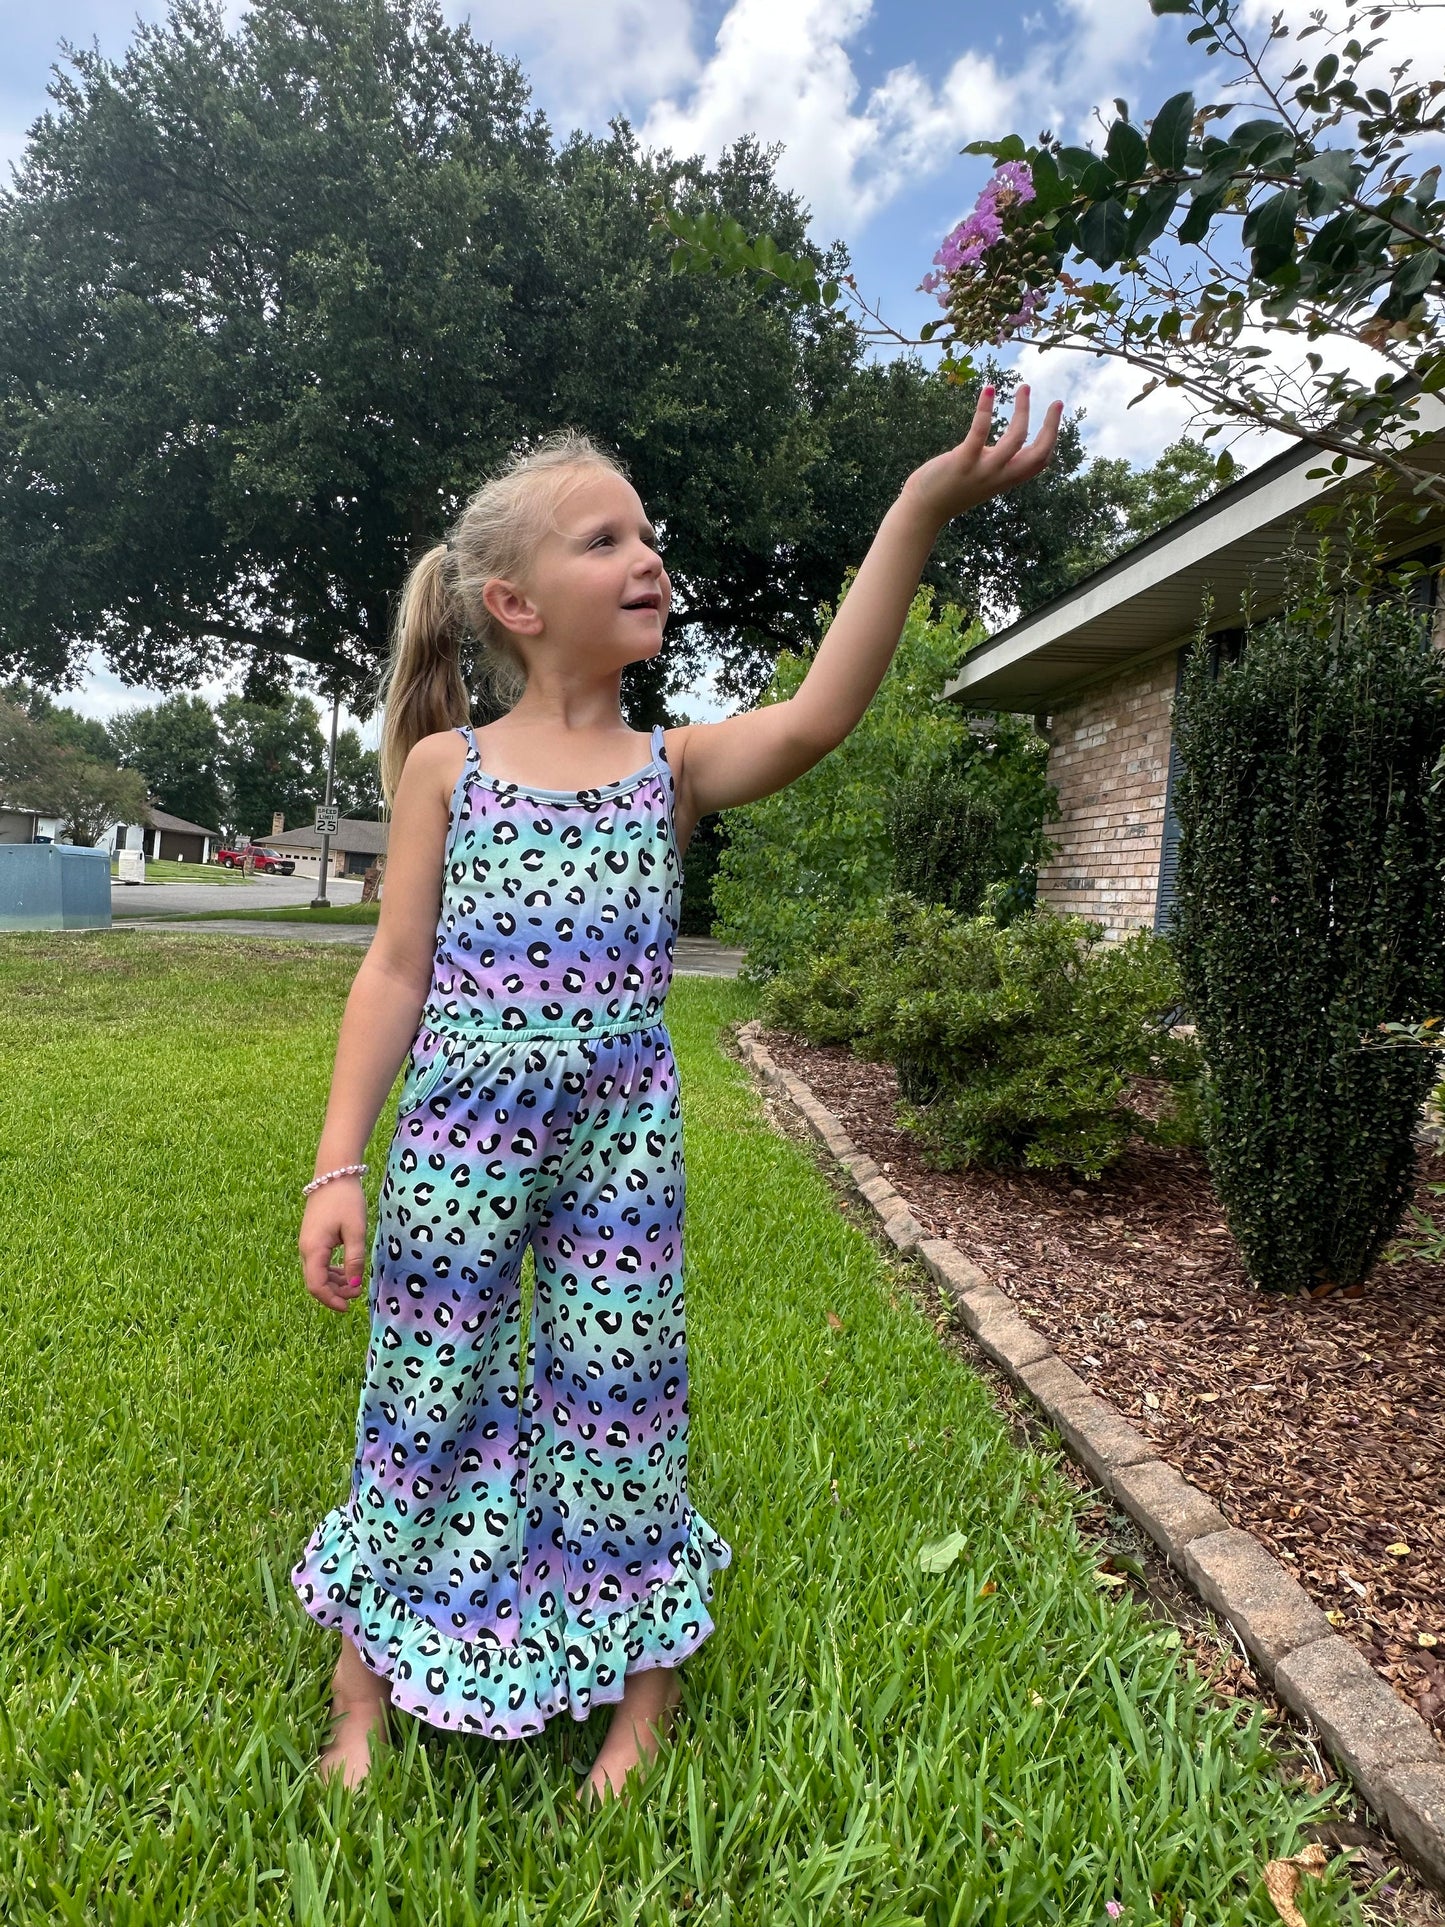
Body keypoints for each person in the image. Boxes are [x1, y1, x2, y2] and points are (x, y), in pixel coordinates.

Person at [292, 385, 1062, 1800]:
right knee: (425, 1393)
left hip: (618, 1155)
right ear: (514, 603)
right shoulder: (443, 767)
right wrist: (339, 1165)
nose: (648, 557)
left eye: (647, 533)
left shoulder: (673, 767)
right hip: (458, 1136)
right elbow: (394, 970)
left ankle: (638, 1691)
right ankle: (368, 1672)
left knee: (618, 1399)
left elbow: (826, 710)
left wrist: (917, 508)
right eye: (606, 539)